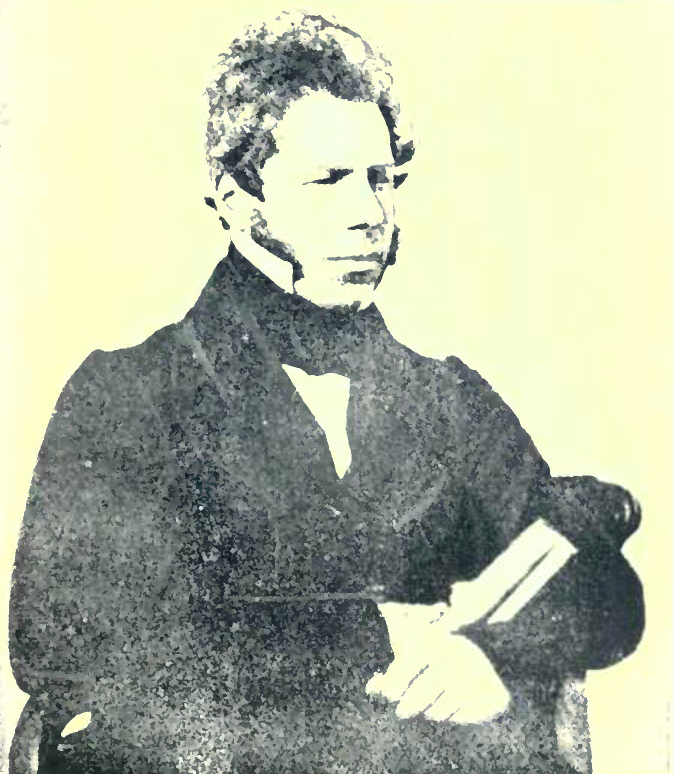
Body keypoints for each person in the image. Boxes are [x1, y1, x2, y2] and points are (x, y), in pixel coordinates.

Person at [9, 10, 644, 774]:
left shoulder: (447, 400)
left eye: (382, 180)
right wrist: (379, 636)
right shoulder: (129, 395)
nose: (370, 215)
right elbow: (60, 642)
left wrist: (491, 650)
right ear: (238, 200)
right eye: (328, 182)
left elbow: (604, 591)